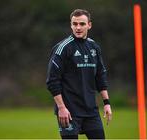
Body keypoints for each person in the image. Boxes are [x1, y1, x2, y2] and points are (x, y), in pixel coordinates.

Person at [46, 9, 112, 139]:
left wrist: (107, 103)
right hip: (69, 112)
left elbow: (100, 76)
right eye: (74, 24)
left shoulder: (94, 47)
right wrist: (61, 108)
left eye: (82, 24)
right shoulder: (63, 48)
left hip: (91, 111)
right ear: (70, 25)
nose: (78, 27)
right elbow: (52, 81)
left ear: (89, 25)